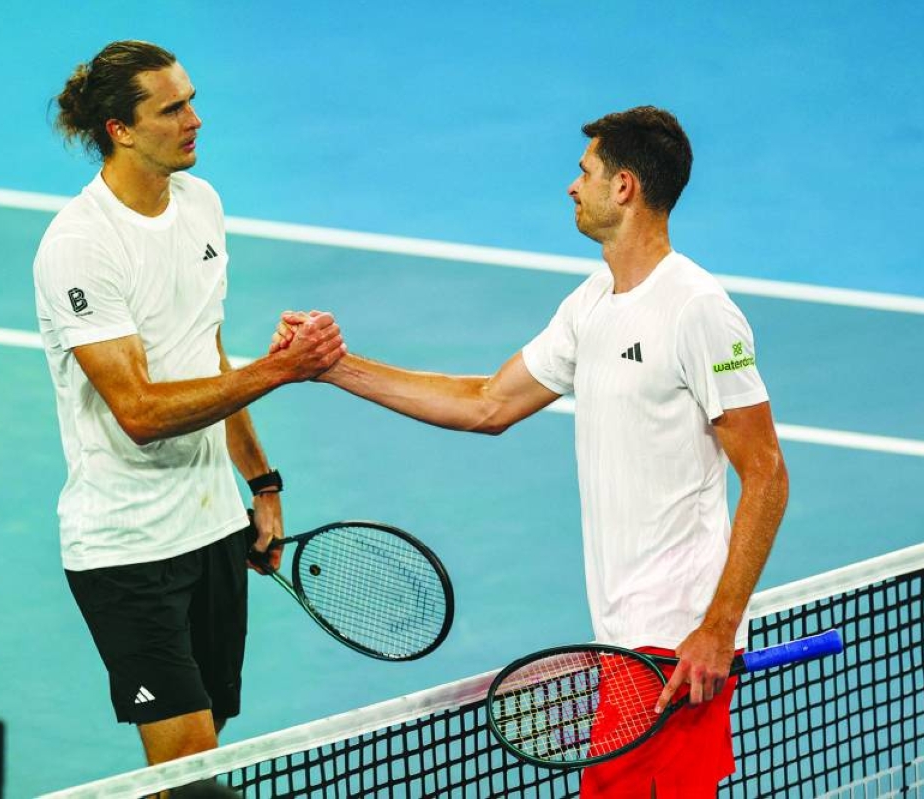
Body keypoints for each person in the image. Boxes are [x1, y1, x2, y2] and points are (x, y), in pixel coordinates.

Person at [271, 107, 788, 797]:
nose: (572, 188)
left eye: (585, 173)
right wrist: (332, 366)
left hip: (675, 647)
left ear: (624, 187)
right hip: (625, 644)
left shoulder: (697, 310)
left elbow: (767, 475)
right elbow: (488, 401)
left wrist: (718, 628)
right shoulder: (592, 304)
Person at [33, 40, 346, 770]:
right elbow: (138, 411)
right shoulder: (80, 246)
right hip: (128, 551)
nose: (195, 119)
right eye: (172, 108)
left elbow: (207, 355)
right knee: (193, 773)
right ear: (121, 129)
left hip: (211, 534)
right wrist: (280, 371)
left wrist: (262, 484)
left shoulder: (202, 205)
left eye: (192, 100)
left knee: (194, 769)